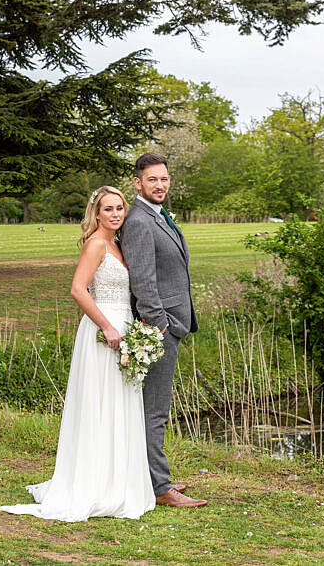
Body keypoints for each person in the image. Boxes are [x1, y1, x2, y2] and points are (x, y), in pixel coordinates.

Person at [0, 185, 155, 521]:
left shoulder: (117, 243)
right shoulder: (97, 244)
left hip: (125, 327)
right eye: (108, 209)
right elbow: (77, 289)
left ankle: (117, 480)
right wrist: (107, 327)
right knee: (100, 404)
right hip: (103, 331)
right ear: (96, 214)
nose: (115, 214)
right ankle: (93, 483)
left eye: (119, 209)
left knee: (119, 404)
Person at [119, 153, 207, 509]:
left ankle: (152, 476)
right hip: (160, 328)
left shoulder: (159, 216)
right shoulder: (139, 221)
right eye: (152, 180)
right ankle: (159, 487)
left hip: (172, 323)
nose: (160, 185)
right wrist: (161, 327)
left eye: (164, 179)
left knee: (153, 407)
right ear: (137, 183)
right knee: (155, 410)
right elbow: (142, 280)